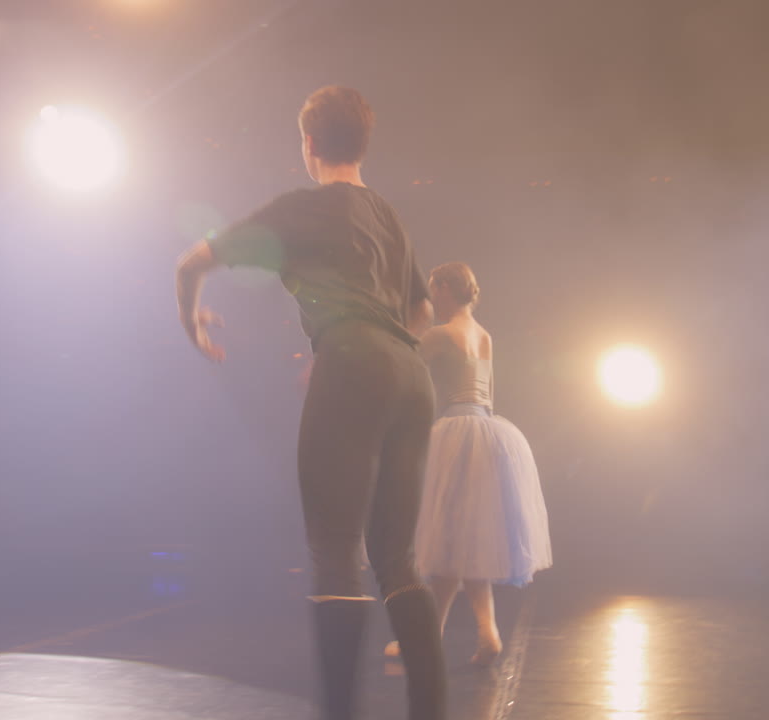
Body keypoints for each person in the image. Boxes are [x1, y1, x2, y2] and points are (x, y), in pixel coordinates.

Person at [175, 87, 446, 720]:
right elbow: (423, 311)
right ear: (363, 143)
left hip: (354, 363)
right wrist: (379, 350)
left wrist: (193, 324)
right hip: (411, 375)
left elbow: (192, 264)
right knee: (398, 563)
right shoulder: (388, 215)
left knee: (335, 559)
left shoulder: (300, 207)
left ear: (309, 145)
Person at [405, 262, 552, 665]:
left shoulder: (440, 334)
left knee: (451, 542)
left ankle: (431, 638)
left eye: (435, 288)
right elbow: (489, 393)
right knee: (465, 544)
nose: (432, 295)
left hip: (456, 431)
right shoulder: (484, 335)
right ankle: (484, 634)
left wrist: (414, 326)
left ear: (445, 288)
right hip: (489, 431)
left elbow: (404, 365)